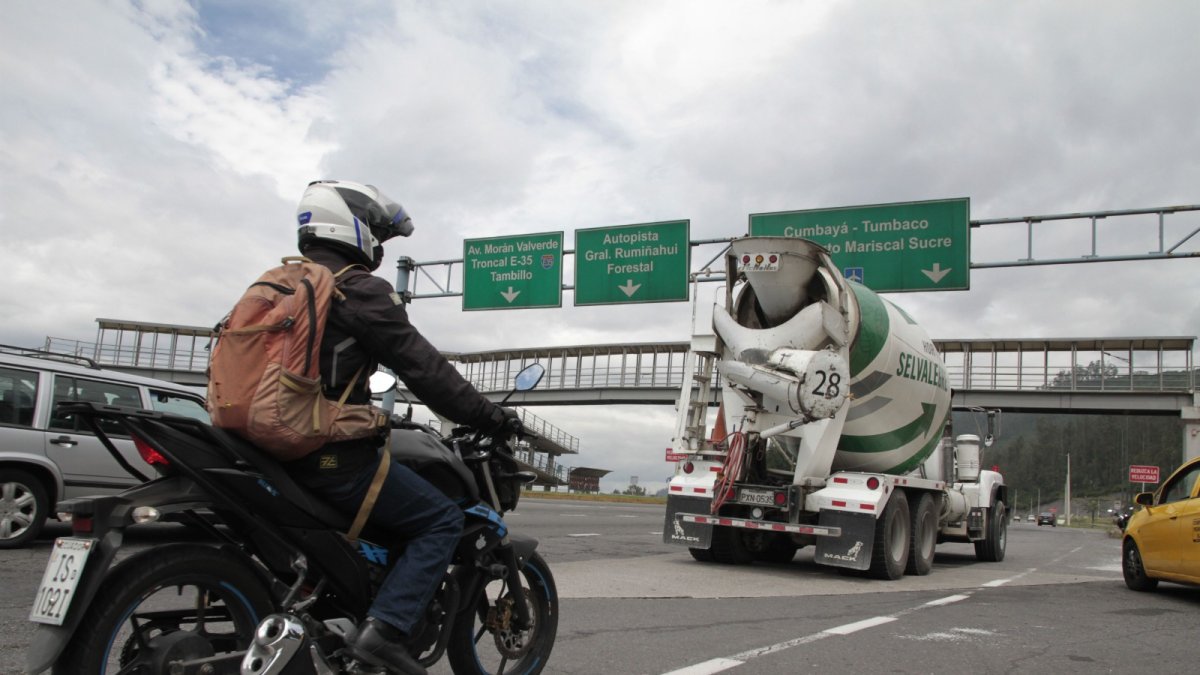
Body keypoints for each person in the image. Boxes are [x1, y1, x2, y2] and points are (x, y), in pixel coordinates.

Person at [289, 179, 518, 674]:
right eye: (375, 230)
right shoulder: (355, 288)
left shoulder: (280, 286)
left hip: (260, 446)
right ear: (350, 225)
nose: (377, 242)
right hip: (325, 454)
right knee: (441, 521)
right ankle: (383, 633)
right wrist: (490, 415)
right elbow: (423, 368)